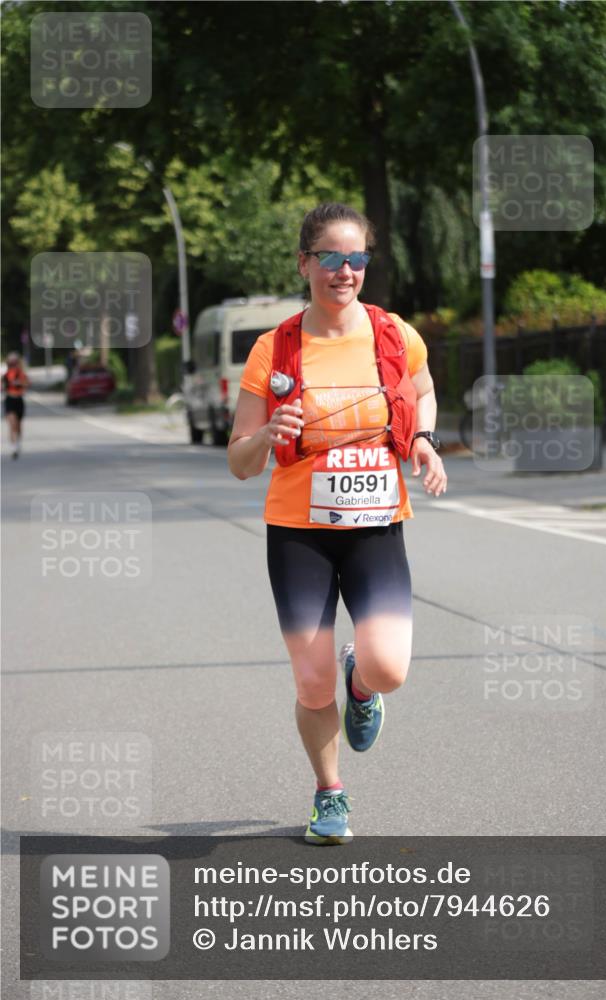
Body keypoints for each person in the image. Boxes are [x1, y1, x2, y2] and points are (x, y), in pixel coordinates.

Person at [227, 203, 447, 845]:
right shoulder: (274, 349)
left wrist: (424, 439)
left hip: (376, 527)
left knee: (388, 669)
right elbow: (240, 461)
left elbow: (423, 390)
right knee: (311, 680)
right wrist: (268, 432)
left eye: (357, 259)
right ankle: (330, 793)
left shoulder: (393, 334)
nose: (344, 271)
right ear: (305, 263)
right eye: (330, 257)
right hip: (299, 535)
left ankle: (362, 682)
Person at [2, 352, 30, 459]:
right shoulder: (5, 375)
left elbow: (27, 383)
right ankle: (13, 447)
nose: (13, 364)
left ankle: (18, 442)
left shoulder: (21, 373)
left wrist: (19, 383)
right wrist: (5, 385)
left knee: (18, 425)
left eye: (15, 362)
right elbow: (2, 387)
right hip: (9, 399)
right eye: (11, 362)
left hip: (19, 399)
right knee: (12, 423)